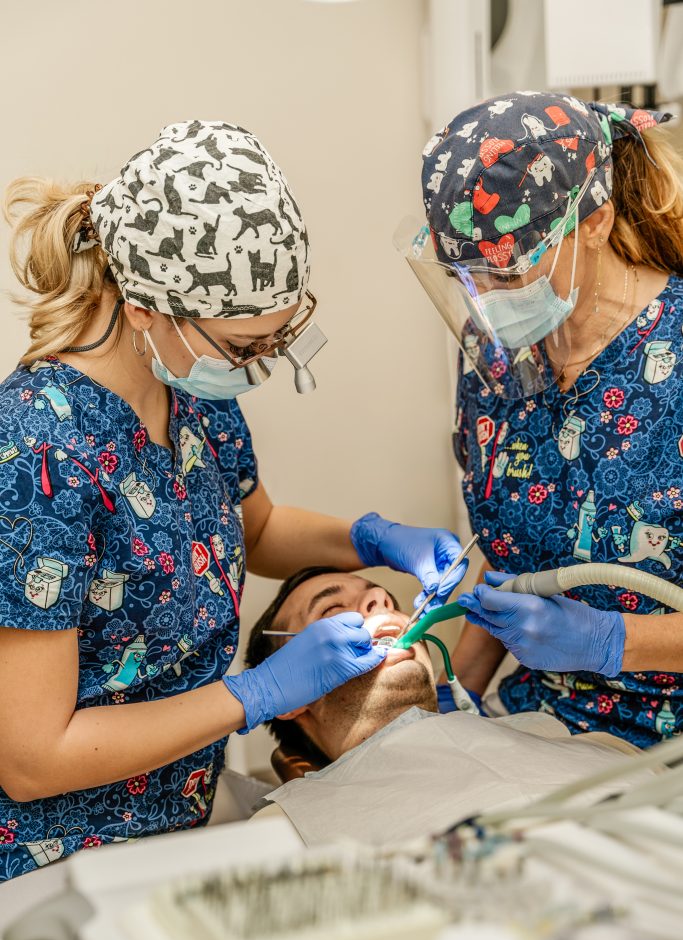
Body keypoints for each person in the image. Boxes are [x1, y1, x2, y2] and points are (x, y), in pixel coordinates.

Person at [0, 120, 467, 881]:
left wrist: (374, 538)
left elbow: (260, 529)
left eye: (276, 342)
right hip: (55, 857)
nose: (261, 369)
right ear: (145, 308)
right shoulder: (34, 454)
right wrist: (253, 693)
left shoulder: (193, 393)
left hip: (183, 820)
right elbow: (30, 757)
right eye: (246, 349)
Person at [415, 92, 683, 748]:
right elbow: (511, 562)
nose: (485, 298)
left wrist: (613, 642)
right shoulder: (493, 358)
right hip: (539, 725)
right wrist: (453, 702)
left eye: (504, 269)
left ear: (593, 220)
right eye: (465, 275)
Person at [246, 567, 640, 846]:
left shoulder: (596, 747)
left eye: (385, 598)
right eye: (332, 612)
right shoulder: (286, 831)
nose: (379, 599)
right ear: (290, 694)